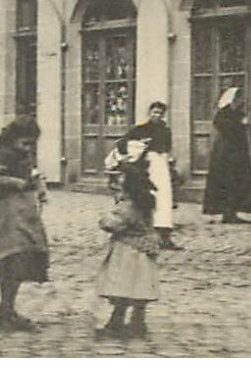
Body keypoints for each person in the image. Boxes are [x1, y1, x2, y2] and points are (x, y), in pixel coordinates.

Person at [0, 117, 49, 331]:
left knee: (21, 256)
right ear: (14, 139)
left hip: (21, 212)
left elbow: (32, 173)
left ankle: (7, 307)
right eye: (24, 143)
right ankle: (7, 309)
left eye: (31, 144)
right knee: (11, 255)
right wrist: (18, 183)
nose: (28, 148)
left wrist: (39, 187)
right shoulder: (4, 153)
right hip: (5, 212)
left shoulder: (22, 154)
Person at [94, 149, 161, 338]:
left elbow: (114, 224)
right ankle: (138, 322)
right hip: (143, 251)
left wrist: (105, 218)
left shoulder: (128, 207)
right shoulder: (144, 203)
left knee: (122, 287)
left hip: (128, 252)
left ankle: (117, 322)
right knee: (139, 290)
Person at [121, 100, 179, 249]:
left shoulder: (166, 130)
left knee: (164, 200)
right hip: (147, 166)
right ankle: (146, 235)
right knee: (149, 198)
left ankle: (164, 236)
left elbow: (167, 148)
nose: (156, 116)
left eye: (160, 113)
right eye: (154, 112)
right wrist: (138, 149)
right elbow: (123, 144)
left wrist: (168, 160)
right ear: (149, 113)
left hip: (162, 165)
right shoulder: (140, 129)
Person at [202, 87, 251, 224]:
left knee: (238, 182)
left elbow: (245, 132)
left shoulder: (239, 113)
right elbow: (224, 127)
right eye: (238, 99)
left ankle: (233, 211)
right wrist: (240, 124)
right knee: (227, 182)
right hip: (225, 154)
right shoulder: (223, 114)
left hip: (238, 153)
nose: (240, 101)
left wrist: (247, 126)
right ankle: (227, 212)